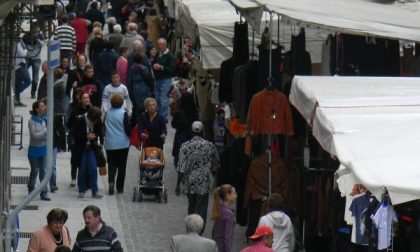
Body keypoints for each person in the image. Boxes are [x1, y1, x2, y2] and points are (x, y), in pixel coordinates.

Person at [175, 121, 220, 235]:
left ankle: (191, 228)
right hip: (203, 182)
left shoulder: (185, 146)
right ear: (202, 131)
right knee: (202, 208)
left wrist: (178, 185)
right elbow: (216, 166)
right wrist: (215, 182)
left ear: (191, 131)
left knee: (191, 206)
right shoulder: (210, 146)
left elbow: (181, 167)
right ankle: (199, 231)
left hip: (190, 181)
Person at [72, 107, 104, 198]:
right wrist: (86, 137)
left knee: (93, 169)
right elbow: (75, 134)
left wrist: (95, 136)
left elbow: (99, 132)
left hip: (91, 148)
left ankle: (95, 191)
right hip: (81, 149)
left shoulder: (98, 121)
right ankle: (81, 190)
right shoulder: (81, 120)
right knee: (82, 170)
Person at [104, 95, 130, 195]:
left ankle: (111, 182)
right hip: (123, 143)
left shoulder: (107, 113)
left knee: (111, 165)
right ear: (122, 103)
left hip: (110, 143)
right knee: (122, 167)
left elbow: (104, 126)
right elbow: (127, 128)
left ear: (111, 103)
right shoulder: (124, 114)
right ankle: (119, 187)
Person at [27, 100, 50, 201]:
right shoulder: (32, 121)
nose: (44, 107)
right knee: (34, 170)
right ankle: (31, 189)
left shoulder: (46, 119)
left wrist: (44, 133)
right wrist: (45, 131)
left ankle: (44, 192)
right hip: (34, 150)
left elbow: (46, 136)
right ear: (37, 109)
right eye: (42, 106)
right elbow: (35, 136)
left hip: (43, 149)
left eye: (44, 106)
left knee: (43, 172)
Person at [67, 90, 91, 187]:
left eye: (87, 98)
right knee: (75, 159)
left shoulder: (92, 110)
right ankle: (73, 178)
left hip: (88, 140)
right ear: (80, 100)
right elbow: (69, 124)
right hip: (77, 140)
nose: (86, 100)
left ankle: (85, 179)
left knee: (86, 161)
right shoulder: (76, 110)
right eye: (84, 98)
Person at [171, 92, 198, 168]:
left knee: (179, 164)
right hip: (192, 139)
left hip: (180, 139)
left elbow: (174, 124)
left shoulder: (179, 113)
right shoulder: (195, 113)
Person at [153, 38, 176, 121]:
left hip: (165, 80)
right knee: (157, 99)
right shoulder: (158, 54)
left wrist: (161, 67)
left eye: (161, 45)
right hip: (157, 79)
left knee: (163, 99)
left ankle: (163, 118)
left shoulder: (170, 56)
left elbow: (172, 69)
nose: (159, 46)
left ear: (165, 45)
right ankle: (157, 116)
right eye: (158, 44)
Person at [127, 53, 153, 124]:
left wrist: (129, 91)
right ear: (141, 60)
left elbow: (129, 81)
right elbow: (149, 79)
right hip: (144, 89)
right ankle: (145, 122)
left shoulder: (131, 68)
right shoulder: (144, 68)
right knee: (145, 106)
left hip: (135, 89)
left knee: (136, 107)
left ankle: (136, 123)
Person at [22, 24, 45, 99]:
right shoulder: (26, 36)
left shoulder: (40, 36)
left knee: (35, 79)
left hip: (36, 59)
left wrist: (37, 38)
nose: (36, 32)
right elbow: (22, 45)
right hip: (27, 58)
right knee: (23, 74)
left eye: (37, 31)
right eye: (34, 31)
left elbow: (42, 45)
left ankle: (33, 92)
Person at [212, 184, 237, 252]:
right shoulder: (229, 214)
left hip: (216, 245)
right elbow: (227, 236)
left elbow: (214, 230)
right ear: (228, 196)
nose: (236, 196)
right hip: (223, 248)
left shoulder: (219, 208)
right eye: (234, 194)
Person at [14, 39, 31, 106]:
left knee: (18, 83)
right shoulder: (17, 44)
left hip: (20, 64)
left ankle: (17, 101)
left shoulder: (20, 43)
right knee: (28, 81)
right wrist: (26, 50)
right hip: (19, 66)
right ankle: (15, 92)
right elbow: (23, 54)